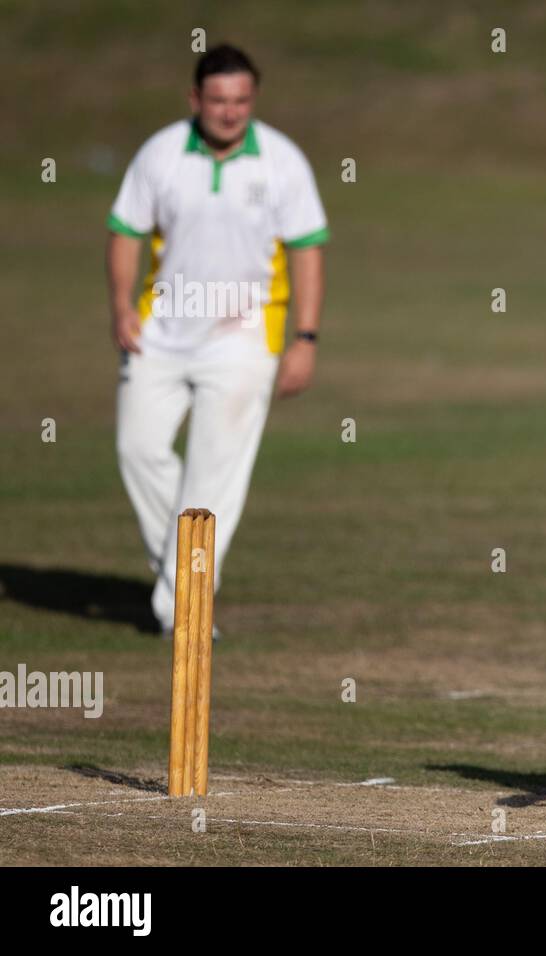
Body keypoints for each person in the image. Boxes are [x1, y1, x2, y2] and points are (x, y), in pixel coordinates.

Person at [106, 44, 328, 634]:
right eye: (218, 100)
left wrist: (304, 337)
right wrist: (121, 304)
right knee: (138, 450)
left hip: (242, 339)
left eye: (242, 100)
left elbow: (307, 250)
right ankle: (184, 583)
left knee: (212, 479)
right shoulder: (160, 153)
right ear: (195, 99)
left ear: (253, 100)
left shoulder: (283, 161)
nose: (230, 112)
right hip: (161, 331)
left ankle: (183, 608)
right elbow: (126, 231)